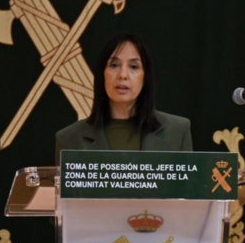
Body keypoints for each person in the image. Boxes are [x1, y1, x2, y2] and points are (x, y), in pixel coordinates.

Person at [55, 32, 192, 159]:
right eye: (114, 65)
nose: (123, 75)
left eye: (133, 66)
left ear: (145, 78)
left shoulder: (178, 132)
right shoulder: (69, 139)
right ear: (103, 75)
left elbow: (189, 185)